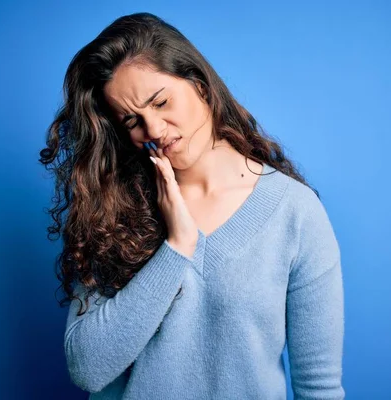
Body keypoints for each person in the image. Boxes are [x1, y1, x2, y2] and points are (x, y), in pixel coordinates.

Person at [39, 12, 345, 400]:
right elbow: (86, 367)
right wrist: (176, 247)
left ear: (199, 84)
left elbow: (319, 389)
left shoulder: (295, 213)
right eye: (132, 121)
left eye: (161, 102)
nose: (152, 129)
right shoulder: (112, 213)